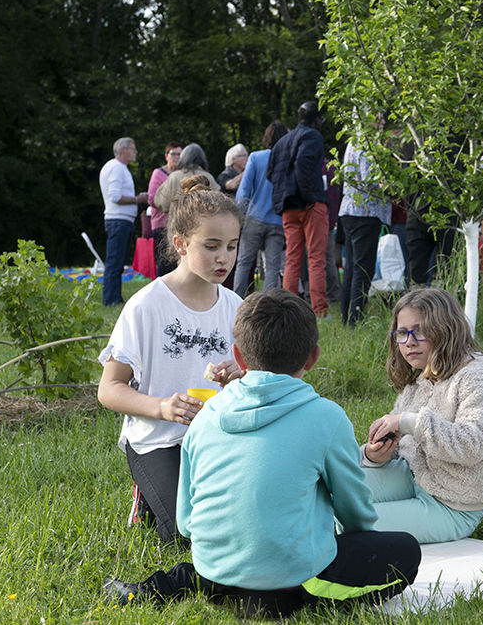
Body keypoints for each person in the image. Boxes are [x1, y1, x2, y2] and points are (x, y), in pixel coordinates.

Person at [102, 288, 420, 619]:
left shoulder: (205, 416)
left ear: (238, 357)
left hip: (214, 568)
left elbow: (185, 522)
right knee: (405, 551)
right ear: (313, 357)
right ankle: (298, 597)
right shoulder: (327, 417)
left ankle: (182, 586)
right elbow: (355, 511)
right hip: (291, 580)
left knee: (215, 565)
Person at [97, 177, 244, 545]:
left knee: (245, 520)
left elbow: (259, 380)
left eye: (232, 246)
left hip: (218, 440)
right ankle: (146, 493)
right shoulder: (146, 306)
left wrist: (242, 374)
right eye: (211, 246)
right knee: (189, 537)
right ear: (179, 244)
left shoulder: (236, 308)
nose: (223, 258)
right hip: (156, 439)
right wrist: (163, 407)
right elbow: (109, 390)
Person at [361, 288, 483, 544]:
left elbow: (472, 444)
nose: (409, 341)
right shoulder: (422, 376)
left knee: (354, 522)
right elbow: (403, 447)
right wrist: (374, 456)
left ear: (445, 329)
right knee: (334, 494)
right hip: (413, 478)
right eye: (402, 333)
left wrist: (407, 422)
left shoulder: (477, 375)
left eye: (419, 331)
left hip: (453, 505)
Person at [269, 101, 330, 317]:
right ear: (317, 120)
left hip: (288, 206)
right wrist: (308, 196)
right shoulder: (313, 136)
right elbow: (303, 164)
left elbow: (271, 173)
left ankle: (290, 308)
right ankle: (320, 310)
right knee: (316, 257)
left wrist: (287, 194)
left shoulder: (282, 141)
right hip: (309, 203)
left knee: (293, 257)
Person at [338, 135, 391, 325]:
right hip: (365, 212)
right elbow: (369, 180)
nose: (383, 120)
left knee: (352, 267)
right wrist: (390, 185)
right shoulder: (367, 143)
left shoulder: (353, 141)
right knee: (363, 269)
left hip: (349, 210)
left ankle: (347, 318)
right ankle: (356, 320)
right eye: (379, 116)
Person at [234, 121, 289, 297]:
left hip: (254, 218)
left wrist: (237, 216)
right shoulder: (289, 160)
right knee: (272, 267)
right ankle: (267, 306)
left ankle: (236, 301)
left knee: (244, 263)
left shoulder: (256, 158)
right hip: (278, 220)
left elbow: (244, 190)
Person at [99, 137, 148, 306]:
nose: (135, 152)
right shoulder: (116, 168)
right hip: (118, 220)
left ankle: (115, 298)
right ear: (122, 150)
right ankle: (110, 299)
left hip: (121, 220)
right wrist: (137, 199)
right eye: (132, 149)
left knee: (118, 263)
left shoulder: (118, 168)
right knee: (114, 262)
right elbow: (115, 196)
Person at [154, 144, 219, 223]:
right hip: (203, 229)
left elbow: (161, 203)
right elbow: (218, 205)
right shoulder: (209, 178)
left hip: (178, 229)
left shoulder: (174, 177)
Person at [148, 141, 183, 277]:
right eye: (173, 154)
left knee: (177, 262)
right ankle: (160, 292)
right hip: (162, 224)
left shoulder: (182, 174)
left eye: (180, 154)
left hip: (179, 224)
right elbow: (152, 198)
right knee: (165, 262)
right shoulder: (158, 174)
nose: (177, 157)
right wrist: (173, 202)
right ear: (166, 156)